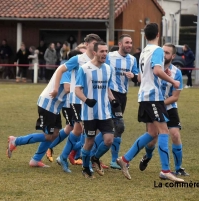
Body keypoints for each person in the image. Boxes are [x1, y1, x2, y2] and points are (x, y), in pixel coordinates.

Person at [116, 23, 184, 183]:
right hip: (153, 96)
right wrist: (173, 80)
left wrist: (162, 74)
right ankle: (165, 170)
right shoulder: (157, 50)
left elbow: (142, 77)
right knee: (164, 131)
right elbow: (156, 71)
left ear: (145, 36)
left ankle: (125, 159)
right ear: (158, 34)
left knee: (152, 133)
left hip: (144, 95)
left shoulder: (144, 51)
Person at [48, 34, 103, 173]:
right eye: (93, 43)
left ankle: (63, 157)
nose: (96, 46)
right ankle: (86, 163)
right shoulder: (77, 59)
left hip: (90, 101)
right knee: (86, 132)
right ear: (87, 44)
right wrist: (55, 89)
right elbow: (60, 70)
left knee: (78, 130)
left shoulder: (98, 61)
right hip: (77, 100)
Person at [139, 43, 189, 176]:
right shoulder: (153, 69)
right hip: (153, 106)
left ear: (173, 56)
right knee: (152, 139)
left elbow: (175, 97)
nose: (164, 54)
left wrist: (160, 104)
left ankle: (178, 168)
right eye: (163, 52)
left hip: (169, 108)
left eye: (167, 53)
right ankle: (147, 156)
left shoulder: (176, 73)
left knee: (175, 135)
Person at [6, 63, 70, 167]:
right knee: (49, 136)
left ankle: (35, 160)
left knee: (55, 134)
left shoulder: (75, 71)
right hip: (48, 105)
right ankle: (16, 141)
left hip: (55, 107)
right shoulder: (67, 70)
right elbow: (67, 89)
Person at [90, 34, 138, 170]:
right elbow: (97, 67)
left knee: (115, 129)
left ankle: (111, 160)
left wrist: (133, 76)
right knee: (116, 126)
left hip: (123, 95)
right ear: (120, 44)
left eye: (131, 42)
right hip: (110, 94)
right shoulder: (110, 56)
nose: (129, 45)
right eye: (127, 42)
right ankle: (93, 156)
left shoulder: (132, 59)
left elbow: (137, 78)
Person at [75, 41, 119, 178]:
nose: (105, 54)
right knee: (89, 141)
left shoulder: (108, 69)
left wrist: (113, 99)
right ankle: (86, 168)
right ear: (94, 52)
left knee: (109, 140)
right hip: (89, 113)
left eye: (106, 51)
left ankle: (95, 158)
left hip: (105, 112)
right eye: (102, 51)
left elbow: (107, 88)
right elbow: (77, 90)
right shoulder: (85, 69)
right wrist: (86, 100)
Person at [45, 50, 84, 165]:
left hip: (77, 103)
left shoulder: (78, 69)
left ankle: (74, 155)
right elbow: (67, 88)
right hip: (68, 104)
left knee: (76, 129)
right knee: (72, 128)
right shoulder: (67, 70)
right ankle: (53, 149)